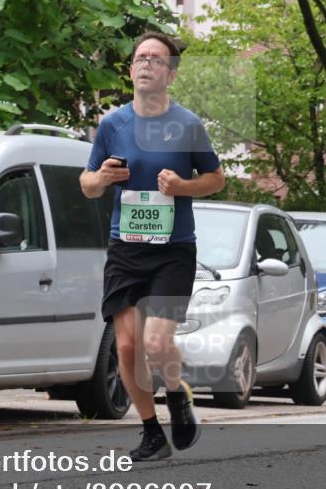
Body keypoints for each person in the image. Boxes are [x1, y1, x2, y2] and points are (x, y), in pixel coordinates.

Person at [80, 32, 225, 461]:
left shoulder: (188, 124)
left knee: (158, 344)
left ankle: (178, 397)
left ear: (171, 74)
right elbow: (87, 185)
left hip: (173, 249)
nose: (145, 64)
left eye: (156, 59)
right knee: (126, 346)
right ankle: (150, 433)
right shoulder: (112, 125)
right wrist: (101, 178)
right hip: (125, 248)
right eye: (140, 58)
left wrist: (183, 186)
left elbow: (217, 179)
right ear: (130, 70)